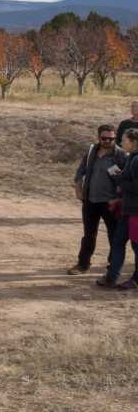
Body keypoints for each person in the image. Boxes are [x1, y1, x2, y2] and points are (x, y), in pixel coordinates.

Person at [68, 124, 126, 275]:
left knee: (113, 235)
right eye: (104, 138)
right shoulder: (92, 151)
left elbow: (126, 180)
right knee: (89, 234)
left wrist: (118, 198)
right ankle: (83, 264)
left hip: (110, 203)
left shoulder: (120, 155)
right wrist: (78, 188)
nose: (108, 141)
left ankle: (112, 268)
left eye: (111, 138)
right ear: (98, 137)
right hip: (90, 201)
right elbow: (81, 171)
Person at [103, 128, 138, 289]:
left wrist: (119, 180)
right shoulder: (132, 157)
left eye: (124, 140)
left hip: (135, 212)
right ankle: (112, 277)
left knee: (136, 247)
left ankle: (136, 280)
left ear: (134, 142)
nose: (121, 143)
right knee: (118, 242)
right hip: (127, 209)